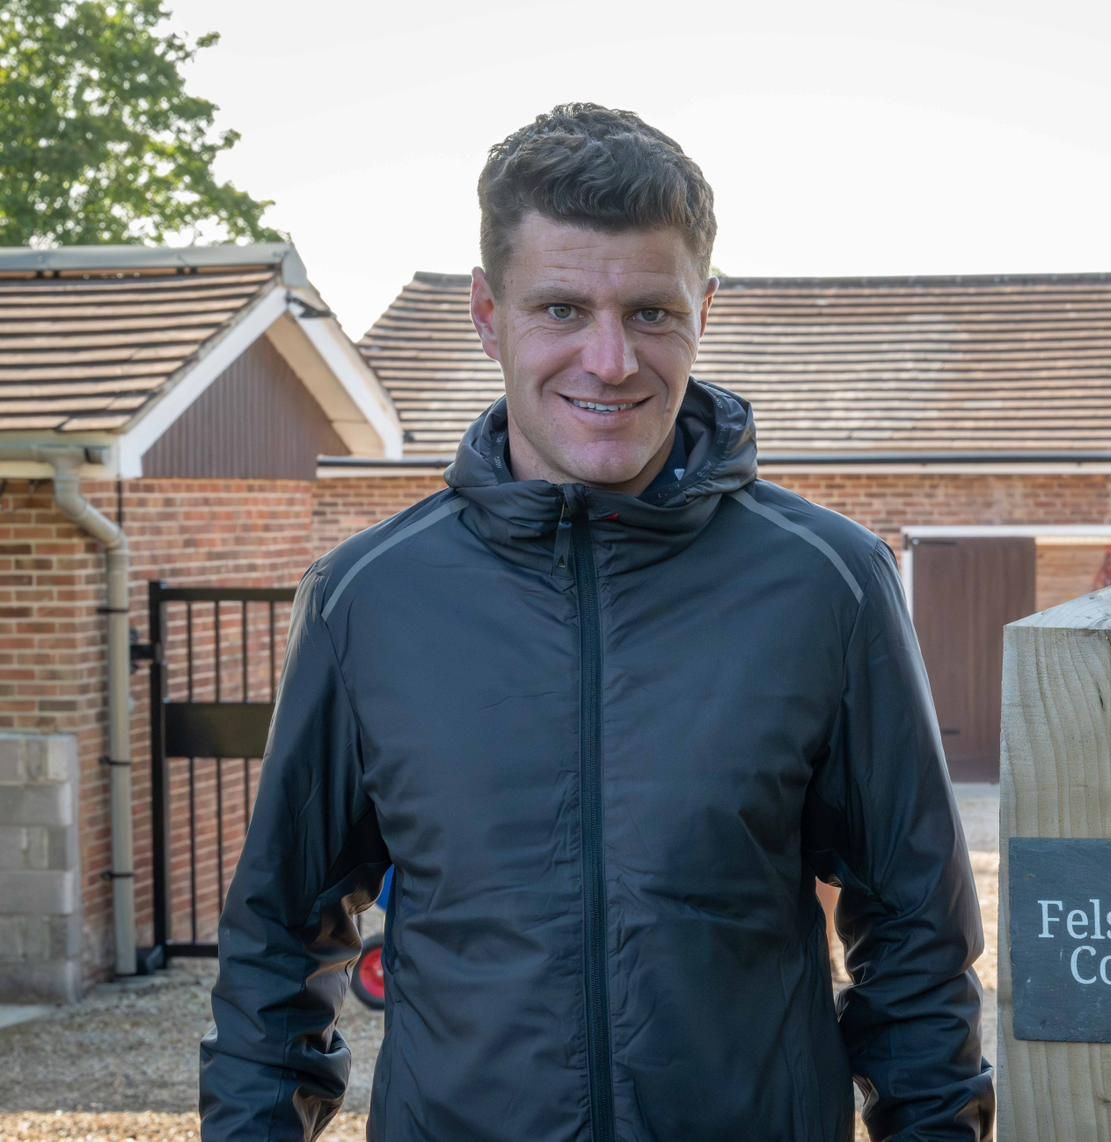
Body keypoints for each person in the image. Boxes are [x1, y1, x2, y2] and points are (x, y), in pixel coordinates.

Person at [199, 102, 994, 1141]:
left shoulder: (829, 585)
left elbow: (917, 946)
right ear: (489, 313)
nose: (611, 361)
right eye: (562, 309)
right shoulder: (367, 599)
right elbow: (275, 941)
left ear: (705, 307)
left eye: (652, 313)